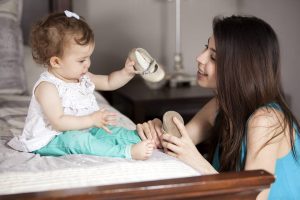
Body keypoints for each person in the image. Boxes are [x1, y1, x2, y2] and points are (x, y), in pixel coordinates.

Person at [136, 15, 300, 199]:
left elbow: (253, 197)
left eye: (213, 57)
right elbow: (176, 142)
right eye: (206, 47)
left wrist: (197, 160)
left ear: (241, 68)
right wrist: (159, 130)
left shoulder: (266, 121)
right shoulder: (220, 105)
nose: (200, 58)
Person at [7, 10, 154, 160]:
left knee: (110, 131)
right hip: (53, 139)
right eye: (81, 60)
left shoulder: (82, 77)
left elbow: (109, 82)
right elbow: (59, 122)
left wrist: (126, 72)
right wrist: (91, 120)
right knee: (80, 141)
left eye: (89, 57)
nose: (88, 64)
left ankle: (139, 137)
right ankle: (127, 152)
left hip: (84, 127)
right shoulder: (47, 88)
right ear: (56, 62)